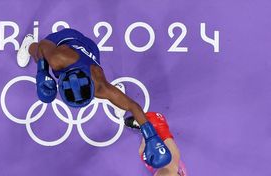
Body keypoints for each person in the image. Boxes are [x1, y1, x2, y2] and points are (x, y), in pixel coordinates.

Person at [17, 28, 170, 168]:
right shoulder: (58, 59)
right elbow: (44, 45)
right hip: (63, 39)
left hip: (90, 49)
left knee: (109, 94)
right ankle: (29, 43)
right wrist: (42, 73)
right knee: (38, 52)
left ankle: (116, 98)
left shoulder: (101, 87)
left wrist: (152, 137)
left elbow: (133, 106)